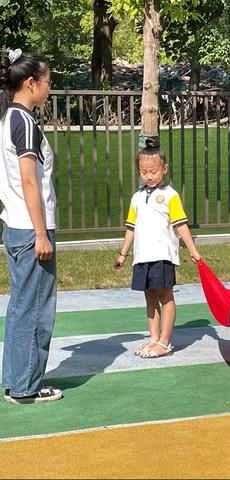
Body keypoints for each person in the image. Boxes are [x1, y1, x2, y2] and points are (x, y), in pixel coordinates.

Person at [0, 49, 63, 404]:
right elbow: (28, 182)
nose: (49, 88)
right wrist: (41, 232)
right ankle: (26, 387)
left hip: (16, 225)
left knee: (22, 305)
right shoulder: (23, 121)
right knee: (36, 308)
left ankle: (17, 381)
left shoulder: (9, 117)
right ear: (31, 83)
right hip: (29, 229)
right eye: (48, 81)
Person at [114, 140, 202, 358]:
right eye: (143, 171)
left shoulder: (170, 195)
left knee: (165, 295)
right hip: (142, 257)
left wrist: (193, 249)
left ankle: (165, 341)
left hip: (162, 256)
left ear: (164, 169)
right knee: (149, 297)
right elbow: (131, 227)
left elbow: (181, 224)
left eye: (153, 171)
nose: (148, 175)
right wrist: (123, 253)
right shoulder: (136, 197)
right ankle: (153, 338)